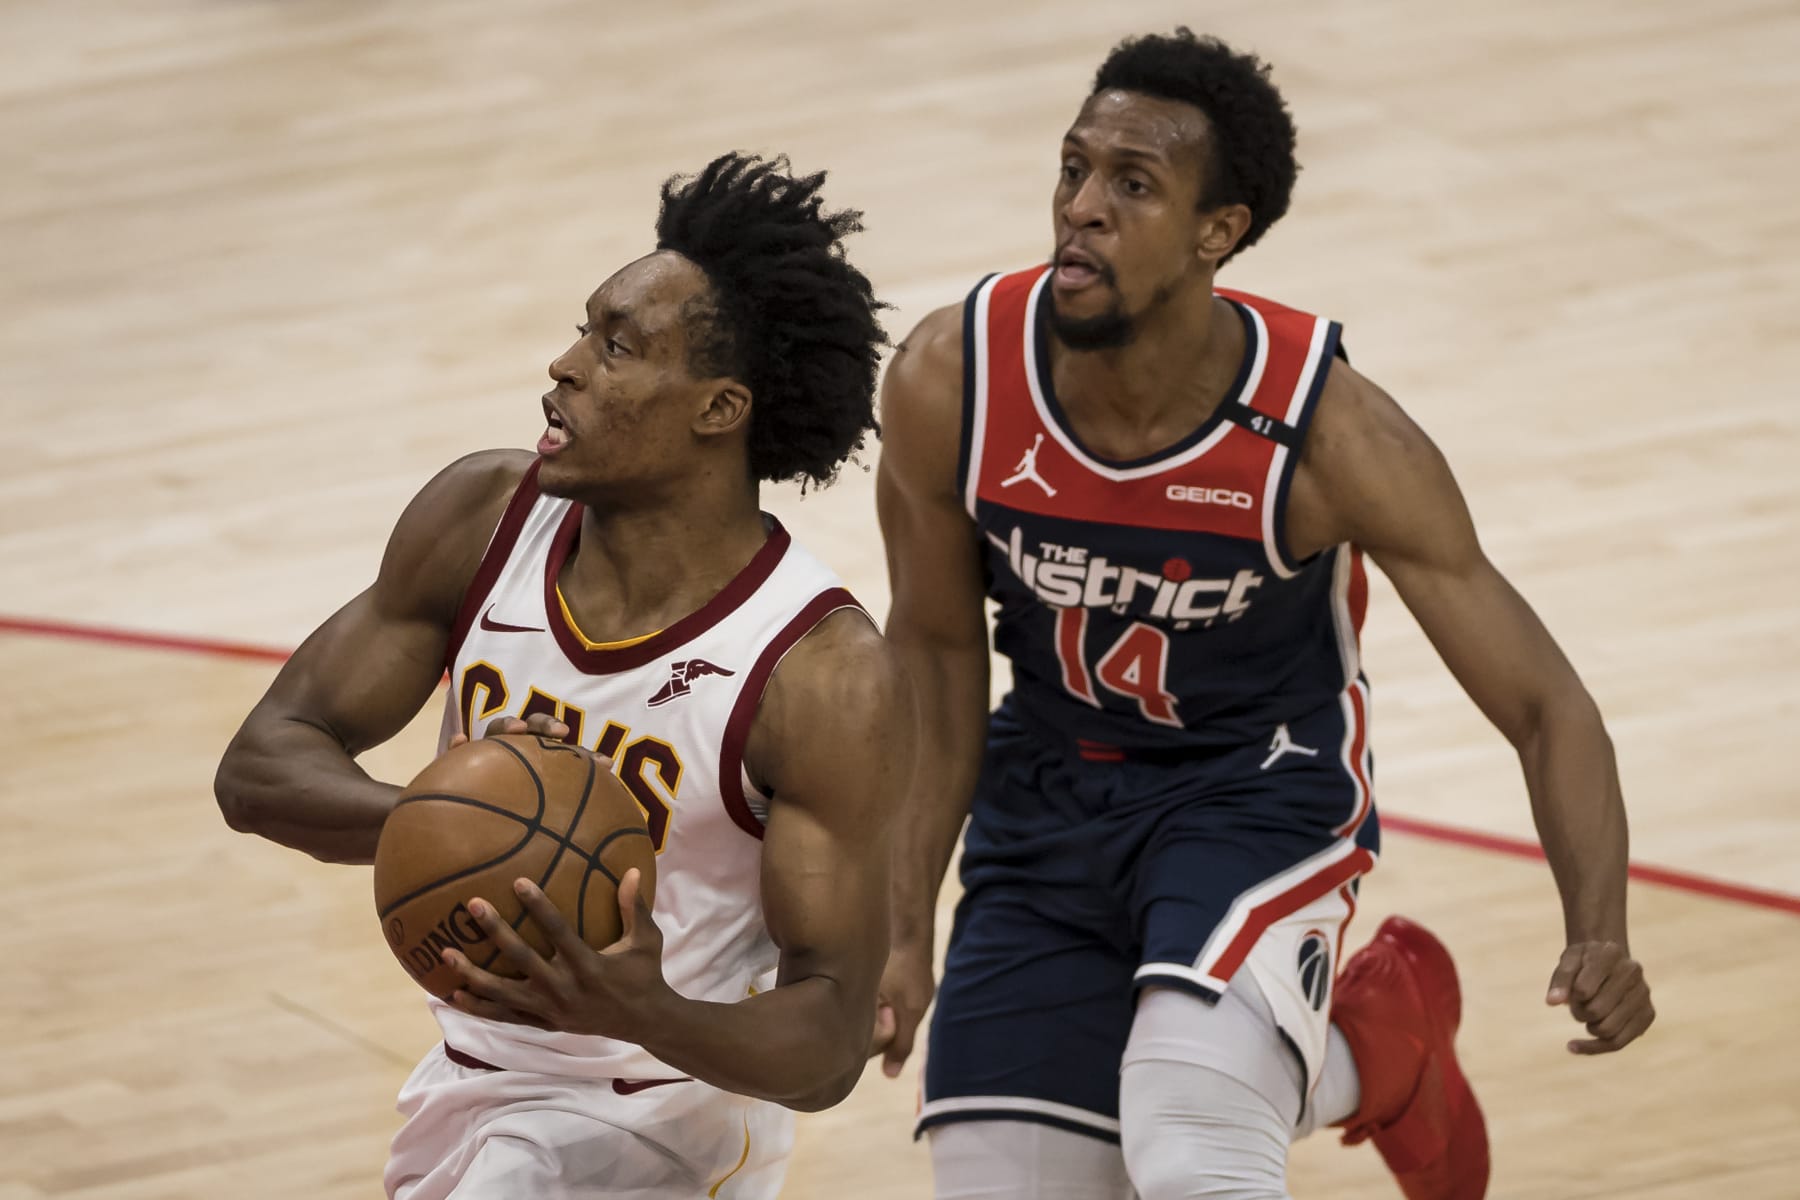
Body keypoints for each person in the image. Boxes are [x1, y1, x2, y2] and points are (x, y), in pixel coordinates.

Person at [870, 29, 1654, 1200]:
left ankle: (1323, 1054)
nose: (1080, 208)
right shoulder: (954, 376)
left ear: (1216, 233)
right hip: (1043, 800)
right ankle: (1367, 1053)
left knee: (1189, 1150)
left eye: (1132, 185)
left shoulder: (1329, 436)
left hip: (1251, 790)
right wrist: (900, 919)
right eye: (1074, 168)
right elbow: (934, 655)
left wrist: (1599, 926)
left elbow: (1545, 704)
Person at [215, 152, 912, 1200]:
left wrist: (645, 1009)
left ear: (718, 410)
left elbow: (830, 1034)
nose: (564, 365)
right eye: (586, 328)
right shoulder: (484, 519)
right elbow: (260, 765)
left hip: (660, 1114)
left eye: (616, 347)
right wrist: (450, 827)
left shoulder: (815, 670)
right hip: (464, 1086)